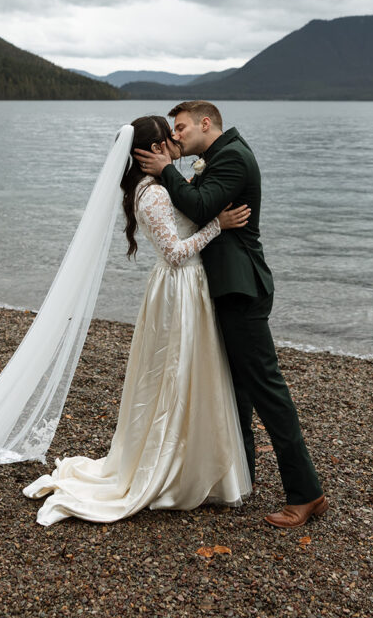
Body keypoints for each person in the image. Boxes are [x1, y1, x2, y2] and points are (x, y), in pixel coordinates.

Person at [23, 115, 252, 524]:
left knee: (186, 375)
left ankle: (192, 460)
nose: (177, 139)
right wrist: (219, 224)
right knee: (175, 377)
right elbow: (176, 253)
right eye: (170, 135)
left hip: (182, 288)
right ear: (155, 149)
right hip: (179, 288)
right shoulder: (154, 195)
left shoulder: (156, 188)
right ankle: (172, 466)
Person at [136, 101, 328, 529]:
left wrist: (167, 168)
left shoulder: (233, 158)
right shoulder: (217, 157)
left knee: (267, 391)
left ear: (207, 124)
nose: (176, 136)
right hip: (226, 288)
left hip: (241, 289)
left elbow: (201, 207)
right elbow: (193, 208)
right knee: (237, 391)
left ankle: (307, 493)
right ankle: (242, 480)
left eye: (182, 128)